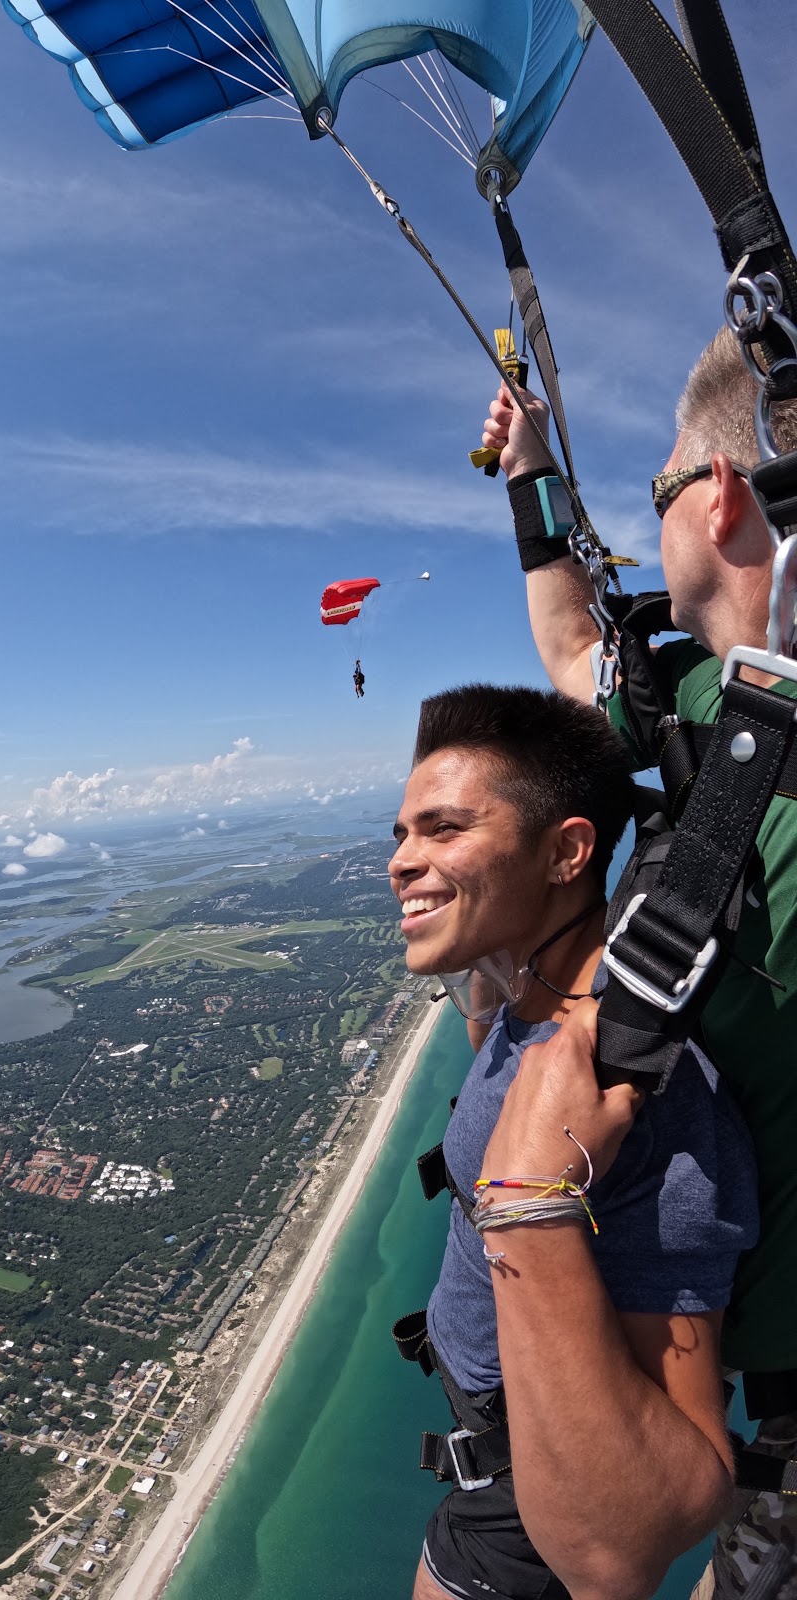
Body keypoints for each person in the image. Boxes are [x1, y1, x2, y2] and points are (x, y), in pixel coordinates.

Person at [482, 330, 797, 1595]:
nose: (651, 510)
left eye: (661, 483)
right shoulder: (695, 704)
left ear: (717, 495)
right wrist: (531, 479)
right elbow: (572, 650)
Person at [390, 683, 757, 1600]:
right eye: (400, 835)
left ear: (567, 852)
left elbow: (624, 1555)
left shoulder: (635, 1097)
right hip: (491, 1488)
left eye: (441, 830)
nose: (402, 861)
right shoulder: (536, 997)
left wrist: (527, 1205)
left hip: (528, 1529)